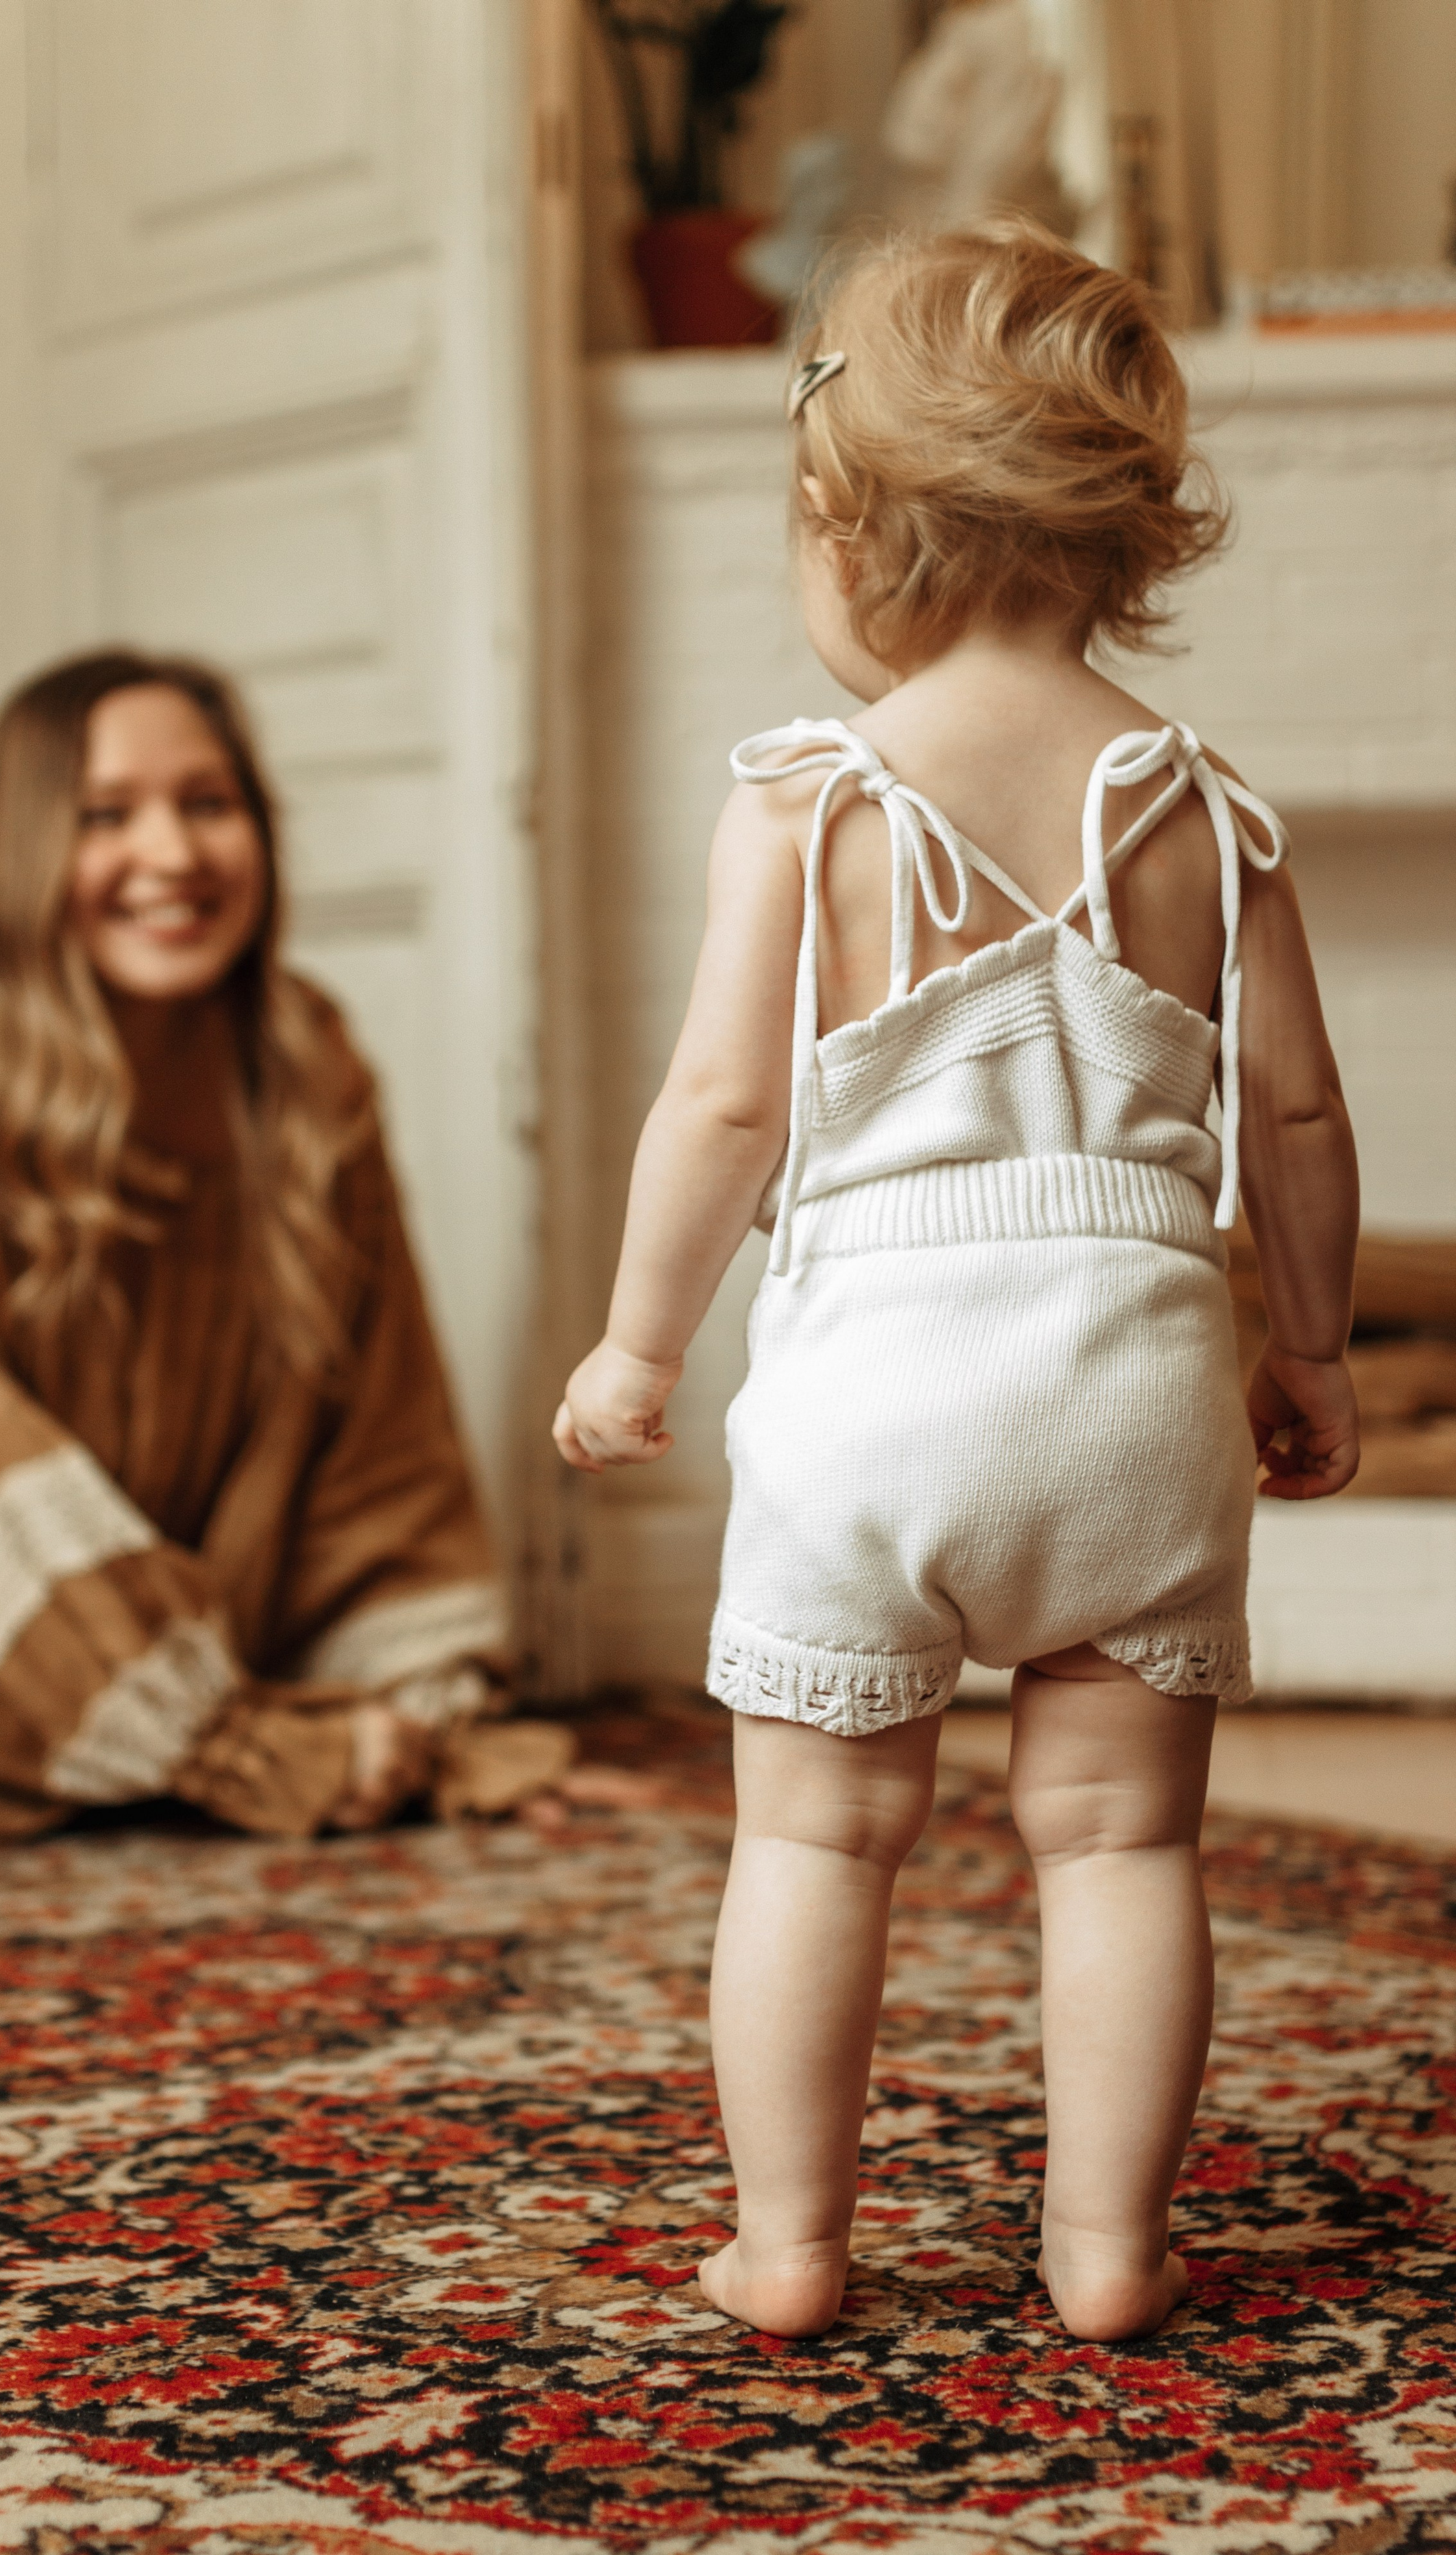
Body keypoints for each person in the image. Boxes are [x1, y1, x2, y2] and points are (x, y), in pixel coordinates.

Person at [556, 221, 1359, 2343]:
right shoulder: (1203, 809)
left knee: (817, 1850)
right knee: (1117, 1853)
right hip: (1133, 1388)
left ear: (849, 530)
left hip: (872, 1402)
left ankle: (793, 2244)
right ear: (1122, 534)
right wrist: (1305, 1344)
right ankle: (1107, 2254)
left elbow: (725, 1108)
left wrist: (640, 1340)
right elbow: (1293, 1121)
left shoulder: (810, 804)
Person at [0, 649, 573, 1892]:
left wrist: (421, 1718)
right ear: (15, 852)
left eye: (209, 804)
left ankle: (58, 1708)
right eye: (105, 817)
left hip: (9, 1581)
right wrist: (241, 1751)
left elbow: (382, 1428)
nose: (171, 855)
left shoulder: (305, 1067)